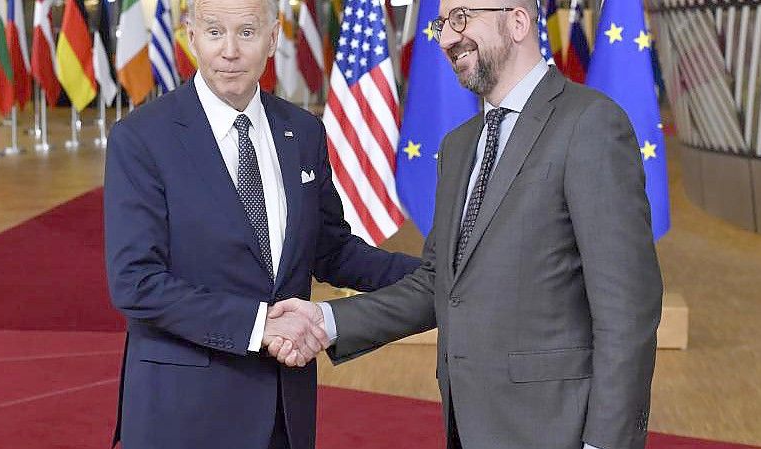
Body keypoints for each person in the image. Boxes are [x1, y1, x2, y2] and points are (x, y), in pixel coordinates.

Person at [268, 1, 663, 449]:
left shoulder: (590, 124)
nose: (445, 39)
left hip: (558, 429)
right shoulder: (459, 147)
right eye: (441, 24)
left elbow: (627, 310)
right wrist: (325, 319)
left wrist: (606, 444)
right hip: (468, 426)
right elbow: (439, 285)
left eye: (460, 19)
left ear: (517, 21)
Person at [103, 0, 420, 447]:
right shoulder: (141, 139)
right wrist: (259, 325)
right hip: (181, 411)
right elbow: (135, 281)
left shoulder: (303, 131)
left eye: (247, 33)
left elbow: (330, 249)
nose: (229, 51)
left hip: (281, 410)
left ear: (273, 39)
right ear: (190, 35)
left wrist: (435, 275)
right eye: (214, 32)